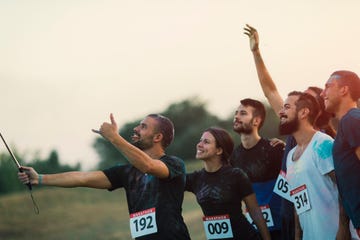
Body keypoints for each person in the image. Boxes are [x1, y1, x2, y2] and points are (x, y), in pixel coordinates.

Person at [18, 113, 191, 240]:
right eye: (139, 125)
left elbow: (148, 166)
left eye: (143, 127)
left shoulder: (174, 164)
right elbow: (82, 178)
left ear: (158, 137)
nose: (136, 129)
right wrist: (39, 178)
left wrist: (114, 137)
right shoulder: (126, 172)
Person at [243, 24, 336, 240]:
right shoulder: (295, 143)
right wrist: (256, 53)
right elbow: (270, 91)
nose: (282, 110)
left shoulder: (323, 142)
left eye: (309, 95)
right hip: (293, 214)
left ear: (308, 110)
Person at [279, 91, 346, 239]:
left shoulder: (322, 143)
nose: (280, 112)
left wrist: (343, 230)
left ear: (303, 112)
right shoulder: (291, 155)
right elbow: (297, 198)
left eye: (287, 107)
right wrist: (298, 235)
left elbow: (346, 187)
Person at [185, 127, 271, 240]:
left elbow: (255, 211)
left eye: (206, 142)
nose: (199, 145)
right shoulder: (194, 178)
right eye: (200, 140)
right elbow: (166, 176)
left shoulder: (236, 175)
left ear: (219, 150)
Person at [229, 98, 283, 239]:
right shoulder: (233, 157)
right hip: (253, 231)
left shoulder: (274, 149)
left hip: (282, 228)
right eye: (236, 113)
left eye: (243, 113)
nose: (236, 116)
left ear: (256, 121)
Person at [321, 70, 360, 238]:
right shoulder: (348, 122)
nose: (322, 93)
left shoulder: (352, 119)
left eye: (328, 87)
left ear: (344, 90)